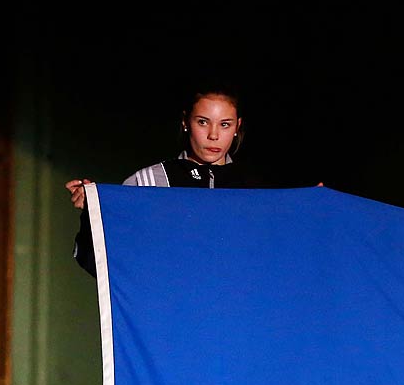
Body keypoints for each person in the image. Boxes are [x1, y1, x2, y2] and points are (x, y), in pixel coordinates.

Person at [67, 85, 284, 275]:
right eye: (203, 122)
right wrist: (93, 211)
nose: (213, 135)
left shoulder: (256, 191)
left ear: (237, 126)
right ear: (185, 122)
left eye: (225, 124)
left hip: (236, 315)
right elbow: (106, 264)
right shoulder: (148, 182)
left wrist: (311, 208)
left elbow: (278, 260)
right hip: (170, 316)